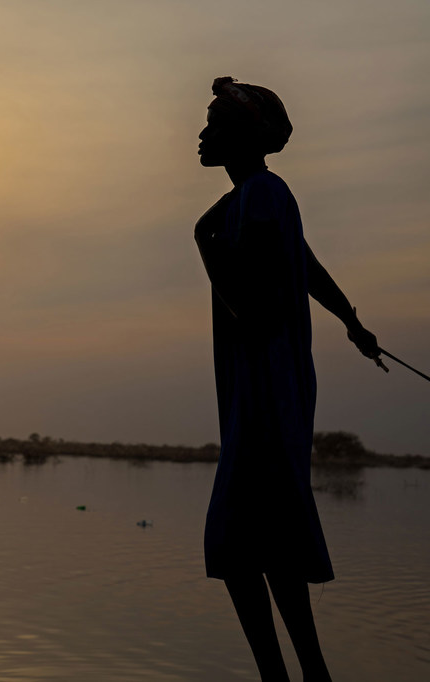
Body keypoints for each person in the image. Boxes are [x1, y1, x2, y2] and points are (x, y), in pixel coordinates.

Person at [194, 76, 380, 681]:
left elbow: (248, 302)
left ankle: (293, 675)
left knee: (240, 539)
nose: (202, 134)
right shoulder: (259, 195)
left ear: (243, 135)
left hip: (266, 388)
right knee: (259, 538)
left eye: (215, 125)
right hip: (264, 385)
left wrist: (205, 246)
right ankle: (303, 674)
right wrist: (351, 320)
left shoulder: (259, 196)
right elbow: (306, 264)